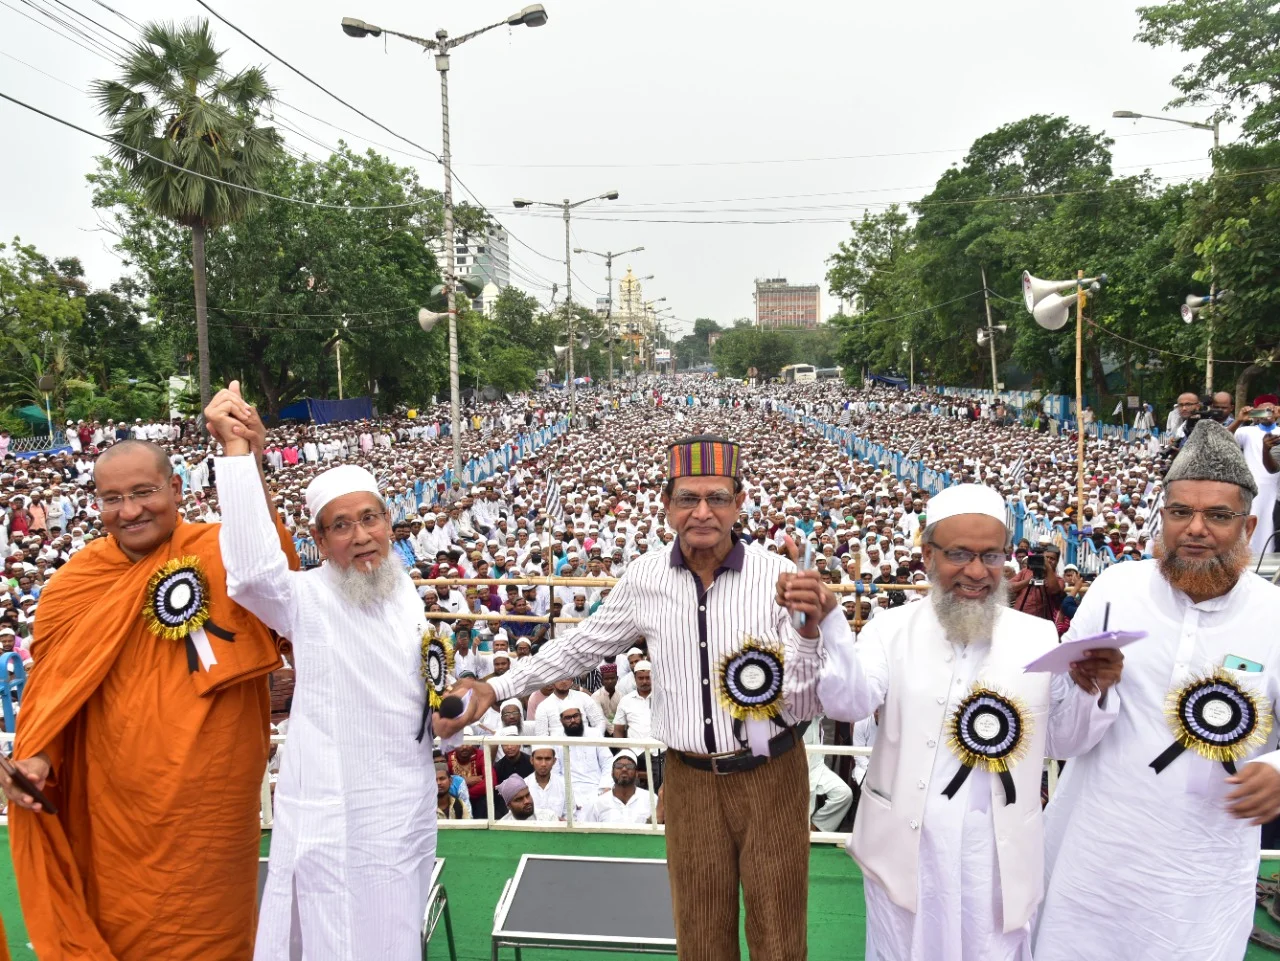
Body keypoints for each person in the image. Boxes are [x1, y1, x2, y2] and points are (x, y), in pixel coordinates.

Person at [438, 435, 827, 961]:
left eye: (717, 497)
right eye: (688, 498)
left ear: (739, 503)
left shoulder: (777, 578)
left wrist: (808, 635)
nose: (703, 512)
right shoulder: (645, 577)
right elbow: (580, 646)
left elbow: (806, 700)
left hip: (772, 773)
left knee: (780, 936)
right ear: (666, 506)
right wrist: (498, 686)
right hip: (688, 780)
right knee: (700, 934)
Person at [2, 437, 297, 961]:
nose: (129, 510)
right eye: (112, 498)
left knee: (209, 935)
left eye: (143, 492)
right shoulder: (74, 585)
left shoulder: (222, 551)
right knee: (119, 929)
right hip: (112, 809)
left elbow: (275, 574)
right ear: (96, 503)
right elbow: (58, 694)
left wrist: (244, 456)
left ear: (176, 488)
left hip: (208, 807)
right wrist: (40, 758)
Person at [816, 483, 1123, 961]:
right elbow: (847, 703)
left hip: (997, 856)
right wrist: (831, 628)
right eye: (959, 554)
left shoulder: (1039, 636)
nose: (977, 572)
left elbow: (1064, 741)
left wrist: (1091, 690)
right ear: (928, 554)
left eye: (992, 556)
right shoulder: (888, 630)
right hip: (905, 848)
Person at [206, 383, 436, 961]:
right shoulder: (303, 598)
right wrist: (239, 455)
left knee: (395, 935)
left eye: (369, 519)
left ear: (389, 521)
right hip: (339, 809)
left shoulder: (402, 586)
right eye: (341, 526)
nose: (361, 536)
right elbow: (254, 573)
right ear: (319, 539)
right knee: (335, 933)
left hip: (403, 801)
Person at [1036, 420, 1280, 961]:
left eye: (1218, 515)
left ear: (1250, 524)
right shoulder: (1115, 589)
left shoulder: (1275, 614)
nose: (1196, 528)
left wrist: (1276, 772)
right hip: (1092, 856)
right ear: (1161, 519)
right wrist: (1088, 690)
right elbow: (1059, 734)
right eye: (1180, 513)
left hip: (1202, 875)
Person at [1230, 395, 1279, 556]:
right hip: (1252, 488)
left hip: (1275, 489)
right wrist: (1239, 420)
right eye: (1262, 410)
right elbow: (1222, 439)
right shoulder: (1246, 432)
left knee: (1270, 526)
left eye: (1270, 409)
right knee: (1251, 523)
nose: (1267, 413)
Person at [580, 750, 661, 824]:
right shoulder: (598, 803)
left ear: (637, 774)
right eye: (619, 766)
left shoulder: (651, 799)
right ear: (612, 773)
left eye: (629, 766)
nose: (624, 769)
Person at [527, 744, 566, 819]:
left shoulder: (564, 785)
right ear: (532, 760)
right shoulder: (524, 785)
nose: (543, 764)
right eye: (539, 758)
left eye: (547, 759)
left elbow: (570, 815)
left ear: (554, 761)